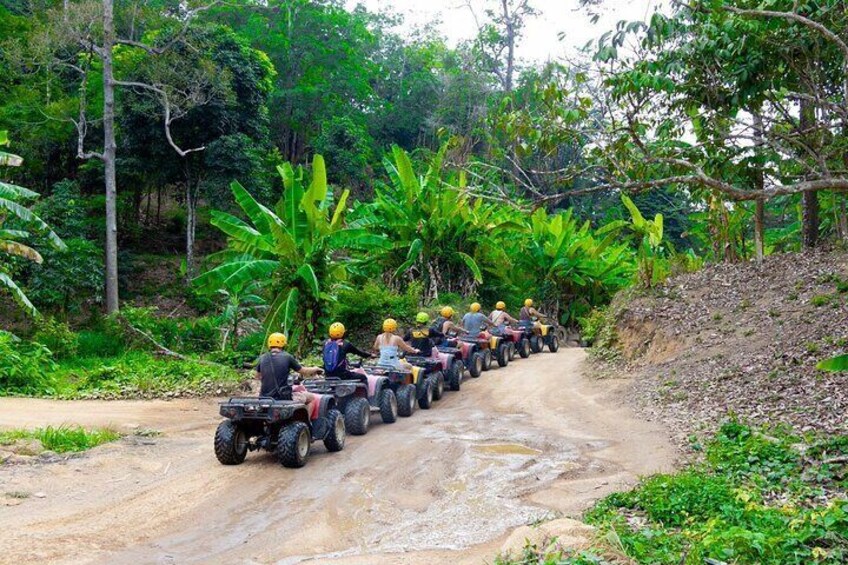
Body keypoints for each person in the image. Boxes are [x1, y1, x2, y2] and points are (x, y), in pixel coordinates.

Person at [255, 333, 323, 413]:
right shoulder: (287, 357)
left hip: (264, 398)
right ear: (283, 344)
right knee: (311, 398)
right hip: (282, 398)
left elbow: (257, 376)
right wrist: (315, 368)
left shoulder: (262, 358)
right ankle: (306, 422)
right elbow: (303, 371)